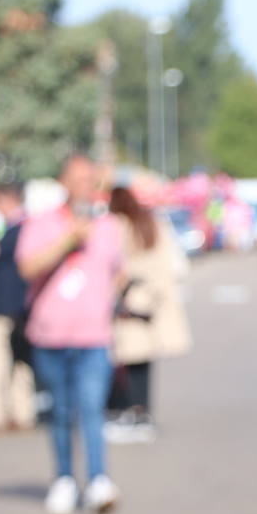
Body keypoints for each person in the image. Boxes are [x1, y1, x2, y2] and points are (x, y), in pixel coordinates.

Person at [16, 154, 123, 514]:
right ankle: (63, 478)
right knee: (60, 411)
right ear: (63, 181)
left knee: (91, 408)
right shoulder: (43, 223)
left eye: (88, 179)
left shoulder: (108, 225)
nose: (83, 185)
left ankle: (97, 479)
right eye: (76, 178)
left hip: (93, 337)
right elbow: (27, 267)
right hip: (51, 337)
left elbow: (117, 273)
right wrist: (67, 241)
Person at [105, 186, 191, 444]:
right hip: (150, 301)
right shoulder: (153, 223)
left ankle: (130, 412)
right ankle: (141, 412)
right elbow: (175, 264)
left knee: (126, 362)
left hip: (129, 300)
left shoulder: (119, 226)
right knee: (141, 363)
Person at [0, 182, 35, 432]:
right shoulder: (26, 228)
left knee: (0, 362)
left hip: (4, 305)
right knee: (19, 363)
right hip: (21, 306)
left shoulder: (14, 230)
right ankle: (21, 412)